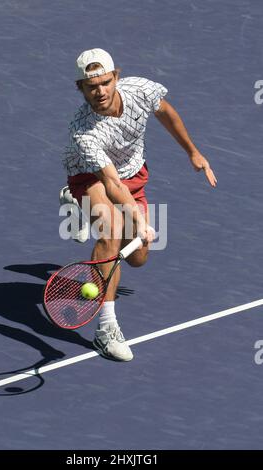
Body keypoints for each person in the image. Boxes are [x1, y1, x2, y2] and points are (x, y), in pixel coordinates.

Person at [61, 48, 217, 362]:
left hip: (132, 174)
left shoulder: (140, 90)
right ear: (80, 88)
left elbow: (165, 113)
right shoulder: (83, 131)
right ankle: (106, 328)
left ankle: (75, 207)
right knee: (110, 233)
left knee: (139, 258)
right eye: (91, 86)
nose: (100, 91)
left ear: (116, 77)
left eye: (105, 82)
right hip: (91, 177)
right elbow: (111, 184)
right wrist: (140, 220)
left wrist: (192, 152)